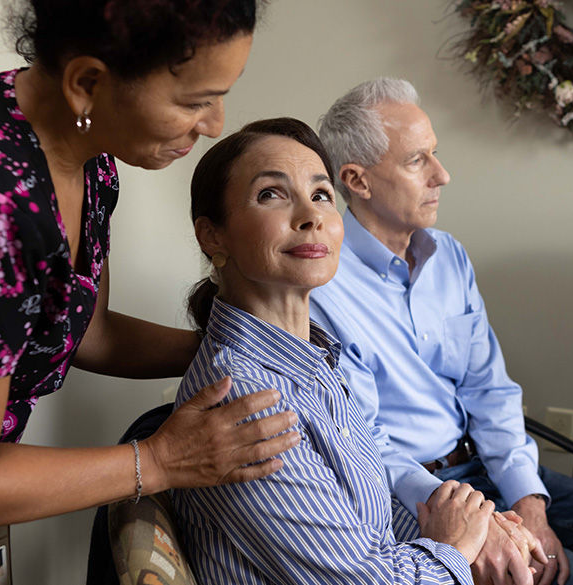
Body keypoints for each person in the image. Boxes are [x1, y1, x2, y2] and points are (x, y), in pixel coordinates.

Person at [0, 2, 301, 583]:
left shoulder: (88, 163)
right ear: (88, 83)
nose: (215, 123)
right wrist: (162, 461)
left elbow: (85, 332)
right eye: (193, 101)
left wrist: (242, 347)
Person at [309, 78, 573, 585]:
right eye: (416, 161)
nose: (442, 175)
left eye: (436, 154)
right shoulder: (322, 287)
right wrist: (477, 521)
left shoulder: (447, 255)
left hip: (483, 466)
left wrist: (527, 501)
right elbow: (364, 444)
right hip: (422, 495)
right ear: (356, 181)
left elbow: (488, 389)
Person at [170, 117, 543, 585]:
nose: (311, 215)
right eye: (271, 194)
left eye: (321, 194)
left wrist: (479, 527)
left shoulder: (314, 362)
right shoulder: (246, 404)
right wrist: (455, 546)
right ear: (212, 236)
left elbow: (369, 525)